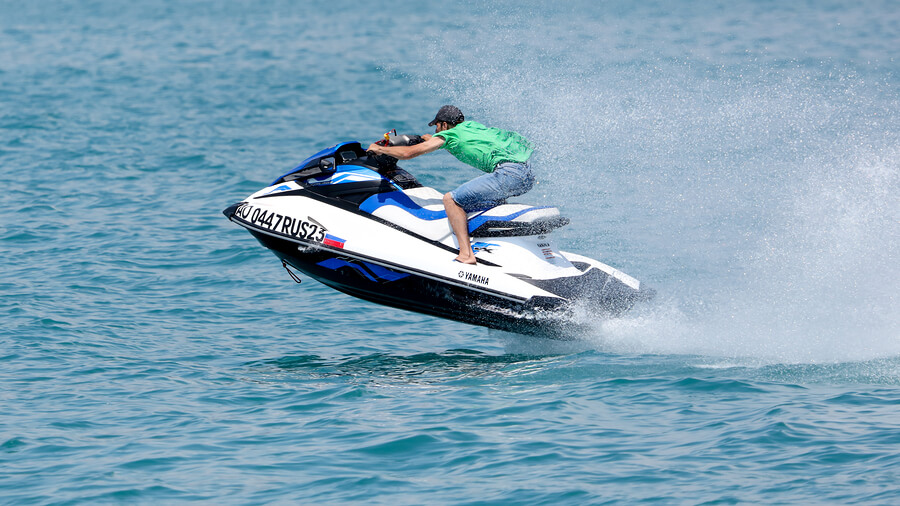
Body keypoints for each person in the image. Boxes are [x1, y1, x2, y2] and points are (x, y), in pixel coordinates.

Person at [367, 105, 535, 264]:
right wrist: (433, 139)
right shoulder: (471, 127)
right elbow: (462, 142)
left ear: (444, 124)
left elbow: (407, 153)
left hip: (507, 174)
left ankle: (466, 254)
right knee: (485, 203)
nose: (436, 131)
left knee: (451, 200)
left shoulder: (449, 135)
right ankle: (489, 247)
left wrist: (380, 149)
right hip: (525, 174)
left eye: (437, 127)